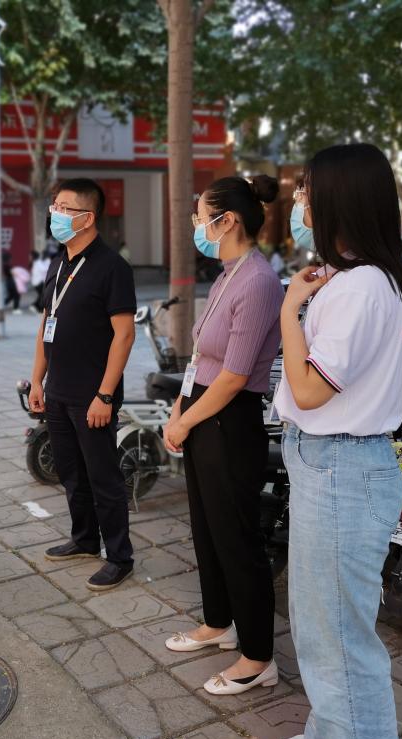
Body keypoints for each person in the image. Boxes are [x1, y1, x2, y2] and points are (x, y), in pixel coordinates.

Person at [273, 144, 402, 739]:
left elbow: (307, 390)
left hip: (340, 468)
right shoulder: (353, 280)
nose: (298, 201)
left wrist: (289, 310)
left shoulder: (360, 288)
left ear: (338, 199)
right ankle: (328, 736)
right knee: (322, 624)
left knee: (338, 639)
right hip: (330, 464)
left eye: (306, 190)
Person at [161, 175, 283, 695]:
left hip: (229, 421)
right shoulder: (227, 276)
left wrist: (187, 420)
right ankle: (218, 623)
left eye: (200, 217)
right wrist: (178, 409)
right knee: (207, 529)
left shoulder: (258, 280)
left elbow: (234, 376)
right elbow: (201, 358)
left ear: (226, 220)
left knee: (237, 538)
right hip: (200, 411)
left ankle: (258, 656)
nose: (196, 226)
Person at [28, 178, 137, 590]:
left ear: (87, 218)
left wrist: (105, 395)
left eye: (64, 208)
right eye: (53, 206)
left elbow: (124, 335)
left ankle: (120, 556)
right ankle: (85, 539)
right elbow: (46, 323)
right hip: (58, 391)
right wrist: (37, 380)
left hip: (93, 396)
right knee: (71, 474)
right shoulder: (58, 264)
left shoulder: (112, 267)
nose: (54, 214)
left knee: (103, 478)